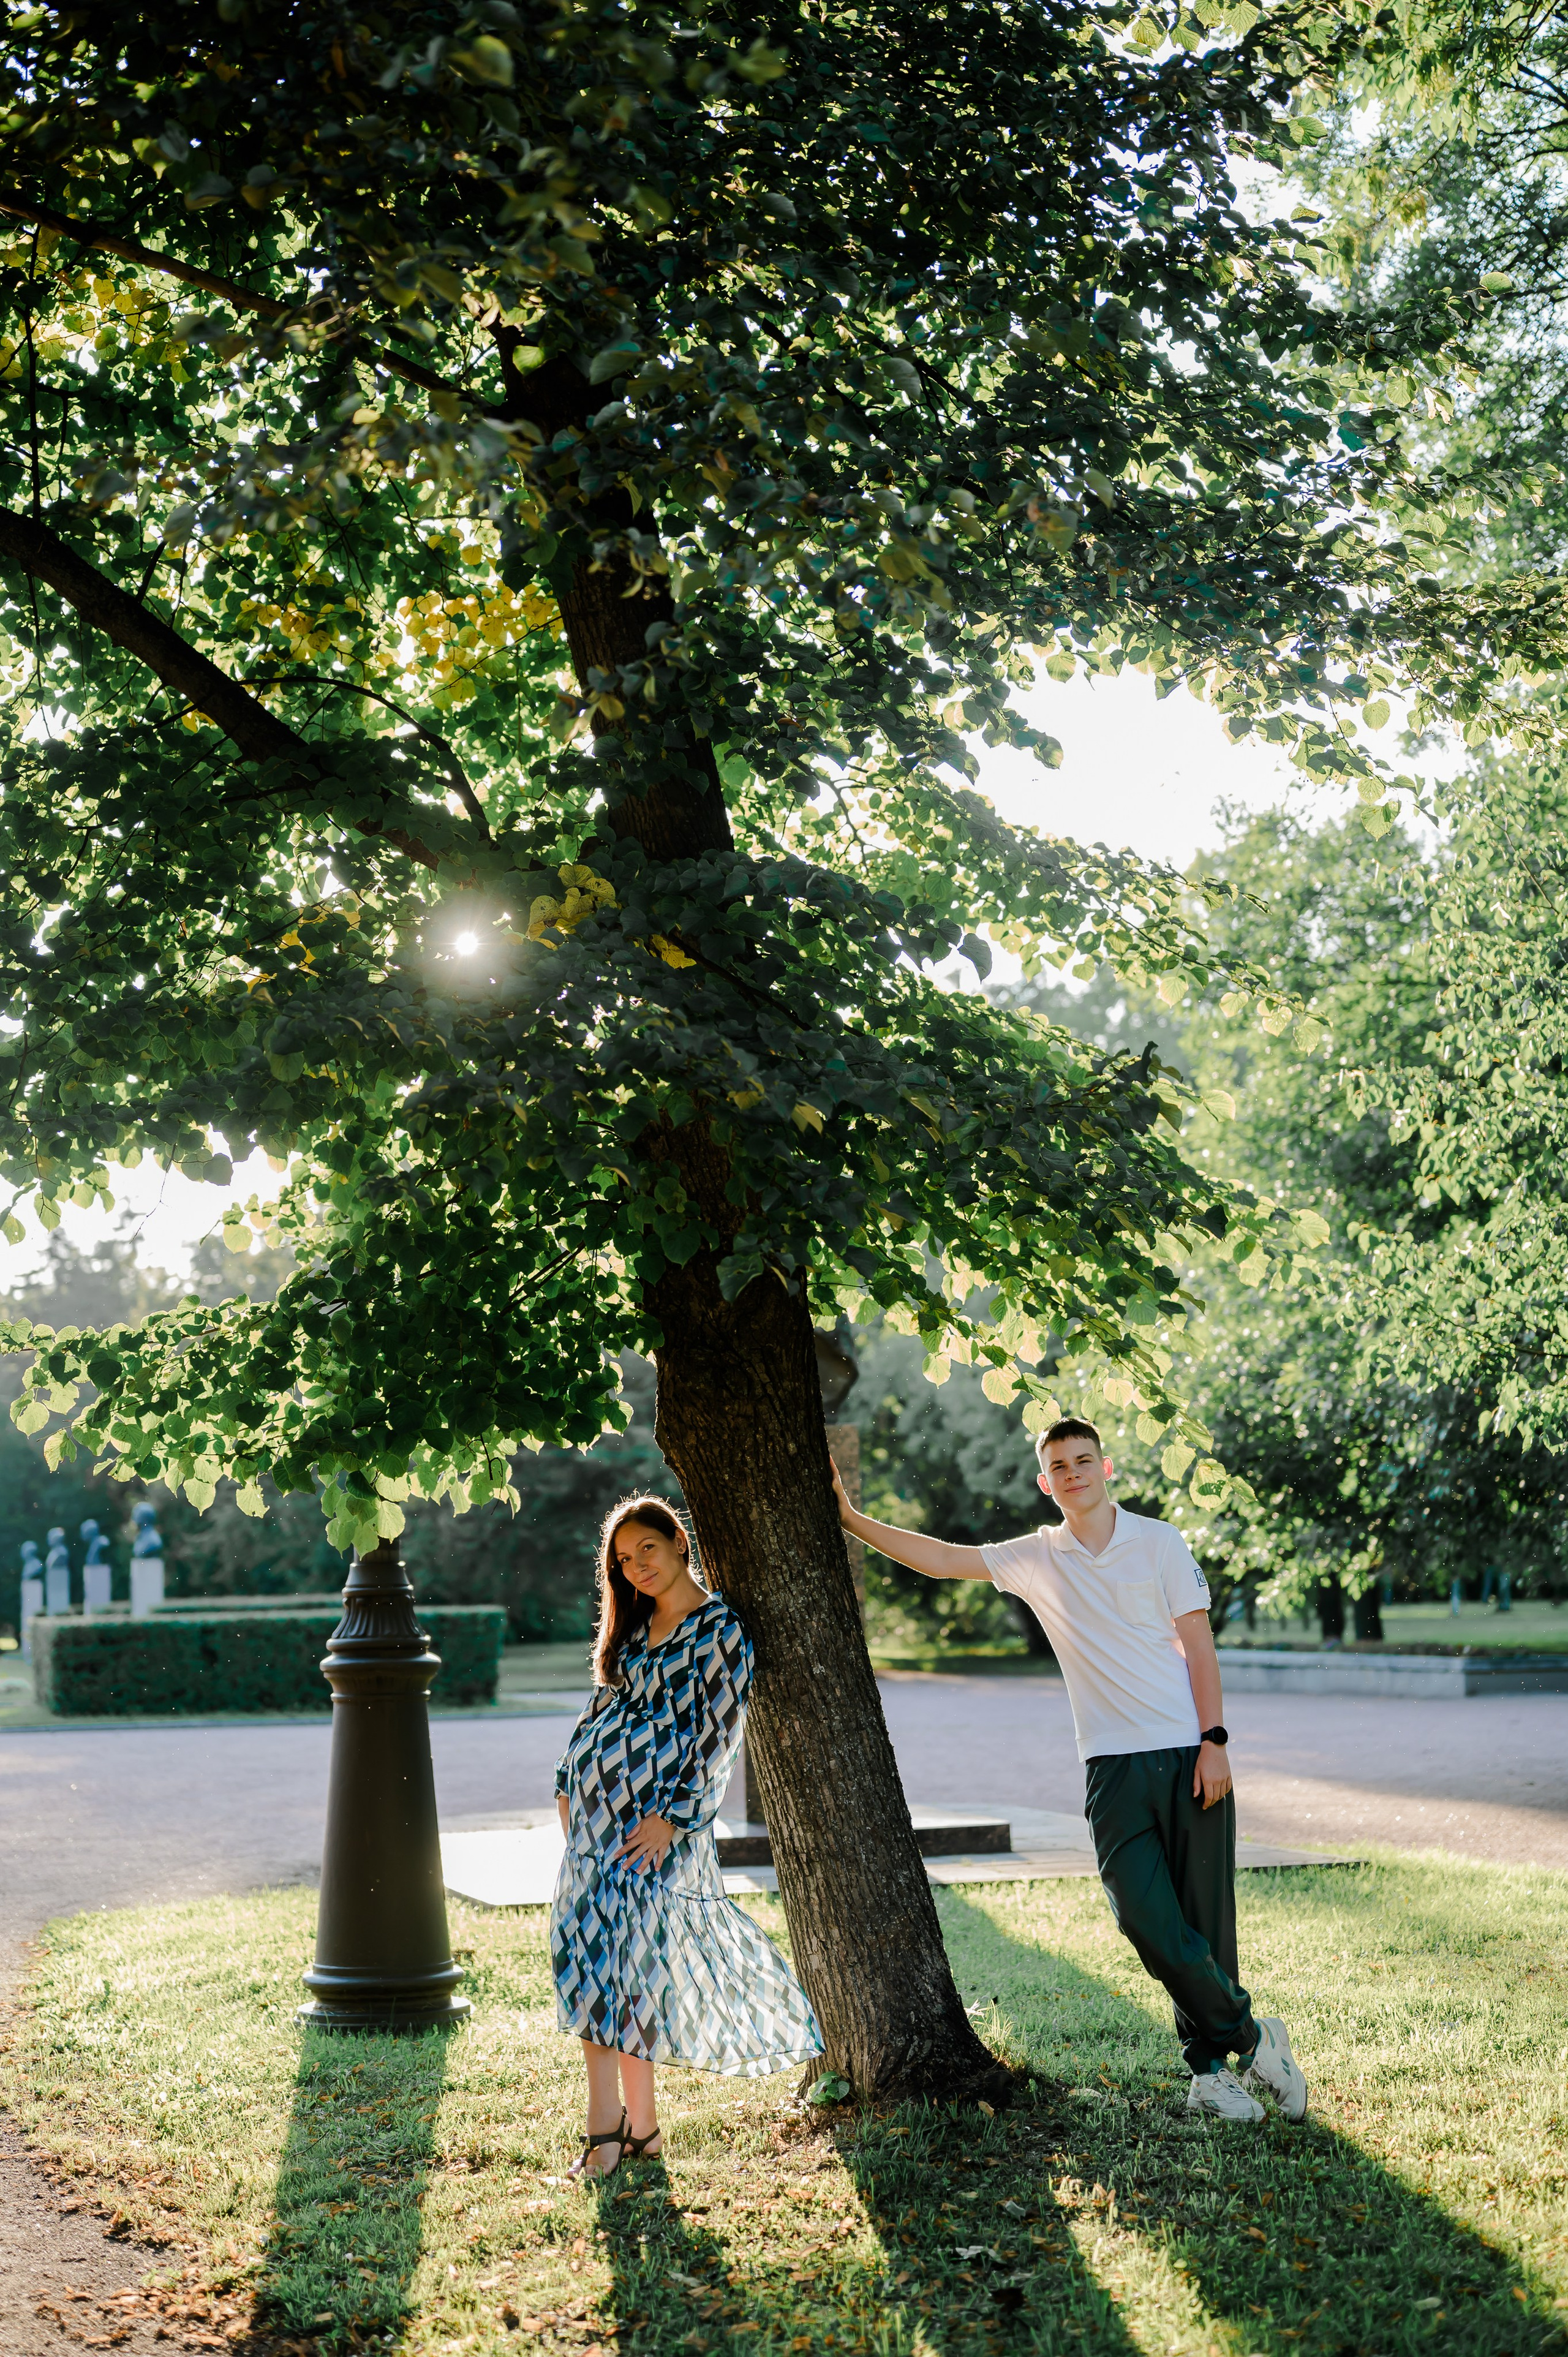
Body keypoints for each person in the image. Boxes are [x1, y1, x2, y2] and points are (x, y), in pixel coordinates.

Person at [831, 1417, 1308, 2124]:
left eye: (1083, 1459)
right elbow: (936, 1557)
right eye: (1059, 1464)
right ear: (1043, 1480)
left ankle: (1209, 2071)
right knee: (1143, 1915)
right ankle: (1252, 2036)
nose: (1073, 1471)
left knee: (1203, 1924)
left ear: (1105, 1466)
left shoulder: (1159, 1541)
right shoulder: (1037, 1557)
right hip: (1109, 1766)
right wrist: (846, 1516)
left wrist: (1215, 1741)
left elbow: (1199, 1646)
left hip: (1187, 1751)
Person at [551, 1493, 822, 2178]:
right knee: (587, 1965)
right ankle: (625, 2128)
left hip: (653, 1830)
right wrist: (566, 1778)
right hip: (593, 1823)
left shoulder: (720, 1628)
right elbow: (600, 1708)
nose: (637, 1565)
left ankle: (619, 2134)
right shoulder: (635, 1627)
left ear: (678, 1540)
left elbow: (718, 1736)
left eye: (647, 1548)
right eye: (622, 1559)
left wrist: (673, 1817)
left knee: (635, 1972)